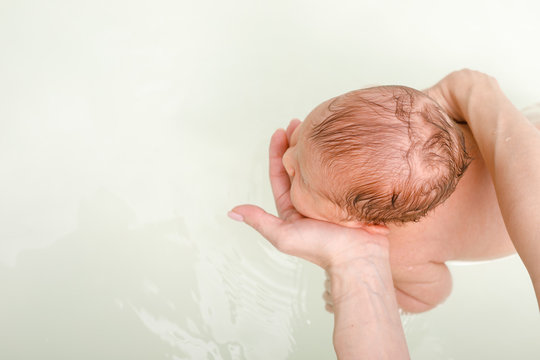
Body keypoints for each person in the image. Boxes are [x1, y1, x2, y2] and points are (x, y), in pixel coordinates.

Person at [228, 69, 540, 359]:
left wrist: (390, 286)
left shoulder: (399, 252)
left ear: (357, 220)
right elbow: (407, 128)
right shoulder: (439, 134)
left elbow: (435, 291)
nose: (286, 159)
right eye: (301, 139)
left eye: (302, 179)